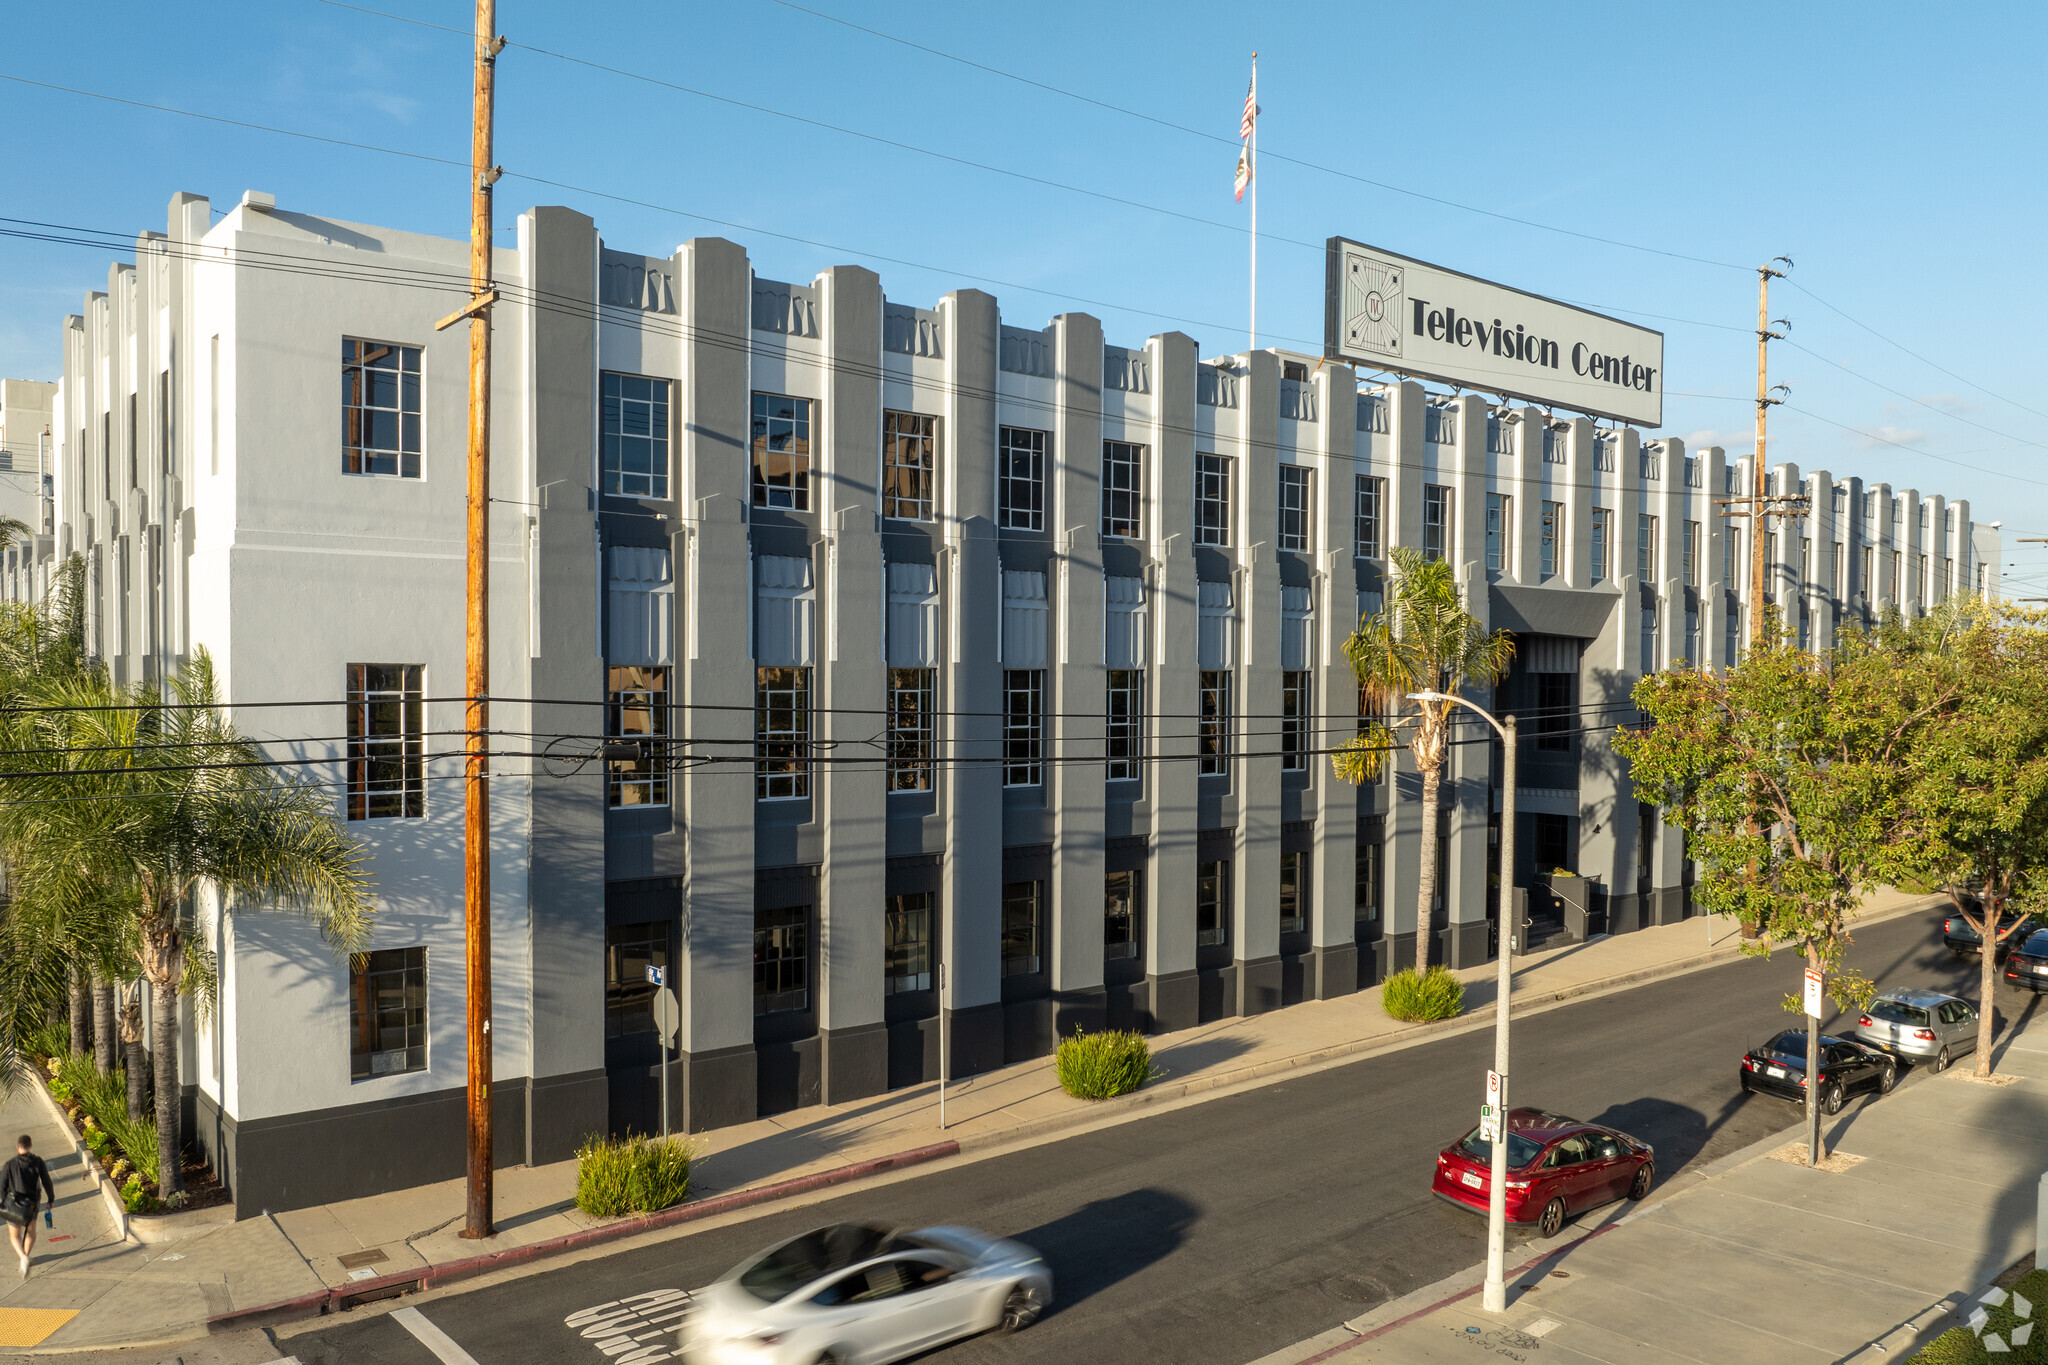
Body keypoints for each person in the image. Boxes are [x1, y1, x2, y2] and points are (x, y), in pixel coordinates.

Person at [2, 1135, 54, 1279]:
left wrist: (4, 1201)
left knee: (14, 1235)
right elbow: (46, 1181)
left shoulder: (10, 1165)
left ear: (18, 1147)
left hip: (14, 1204)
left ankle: (23, 1256)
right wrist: (51, 1198)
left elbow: (2, 1186)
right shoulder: (38, 1162)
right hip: (32, 1203)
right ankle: (26, 1255)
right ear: (30, 1146)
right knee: (31, 1231)